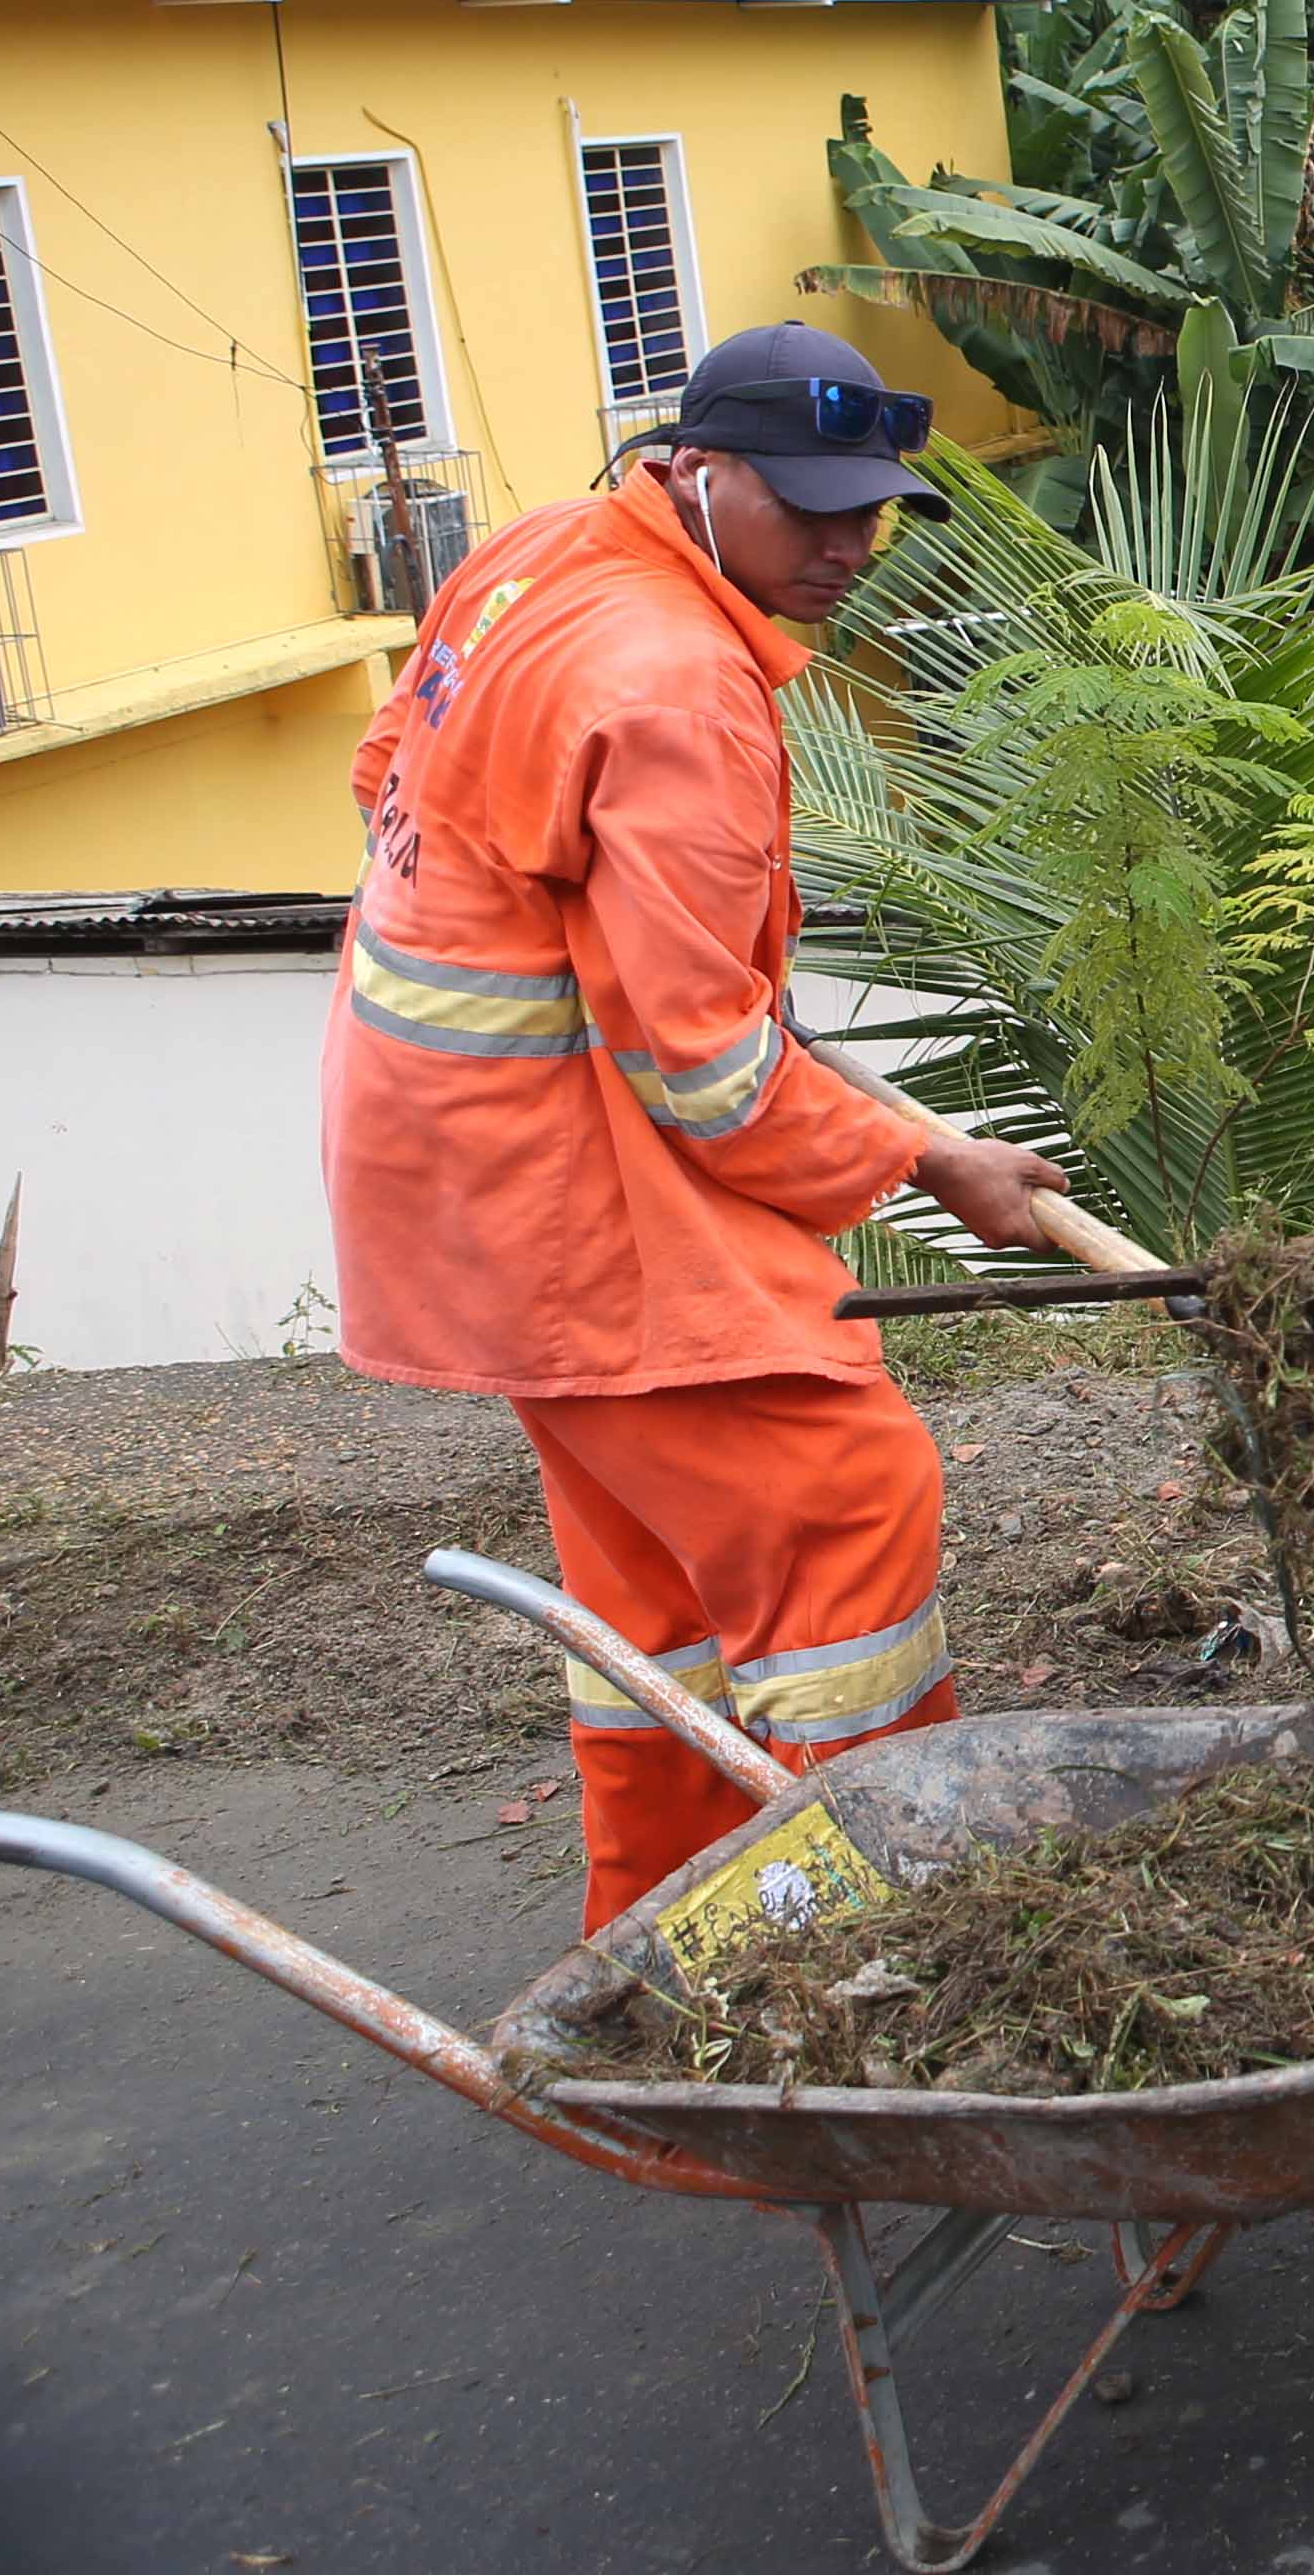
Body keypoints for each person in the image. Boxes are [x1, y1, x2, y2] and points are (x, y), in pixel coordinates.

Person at [321, 322, 1069, 1925]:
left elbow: (389, 769)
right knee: (844, 1497)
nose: (847, 547)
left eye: (870, 511)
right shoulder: (674, 687)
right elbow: (707, 1073)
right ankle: (880, 1933)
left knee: (655, 1603)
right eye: (809, 511)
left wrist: (587, 957)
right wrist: (930, 1164)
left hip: (459, 1178)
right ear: (699, 470)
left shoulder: (538, 557)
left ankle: (660, 1956)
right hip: (568, 1198)